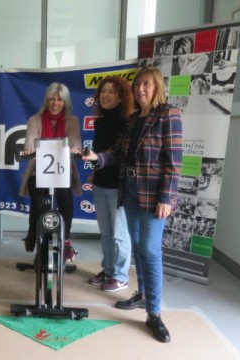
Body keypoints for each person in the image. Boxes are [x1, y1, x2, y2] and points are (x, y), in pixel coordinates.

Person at [83, 67, 183, 343]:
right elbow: (117, 153)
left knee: (150, 251)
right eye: (138, 84)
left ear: (157, 86)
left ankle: (154, 313)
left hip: (154, 195)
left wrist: (166, 197)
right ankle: (142, 295)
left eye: (146, 84)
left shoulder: (168, 114)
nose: (141, 89)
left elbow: (174, 161)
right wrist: (96, 158)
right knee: (138, 248)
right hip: (129, 191)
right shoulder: (132, 120)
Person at [20, 82, 82, 262]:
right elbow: (30, 142)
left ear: (65, 102)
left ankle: (66, 241)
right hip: (38, 170)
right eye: (51, 99)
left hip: (62, 171)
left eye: (59, 100)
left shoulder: (72, 121)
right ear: (46, 101)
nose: (55, 103)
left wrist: (75, 148)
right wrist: (30, 149)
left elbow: (75, 142)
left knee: (66, 202)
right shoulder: (35, 120)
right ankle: (38, 237)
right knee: (40, 207)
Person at [87, 76, 134, 293]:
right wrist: (94, 172)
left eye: (111, 92)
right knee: (105, 233)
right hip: (100, 183)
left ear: (121, 97)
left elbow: (119, 155)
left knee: (119, 234)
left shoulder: (127, 122)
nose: (105, 95)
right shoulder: (100, 122)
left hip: (118, 185)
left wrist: (98, 159)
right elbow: (99, 153)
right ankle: (108, 270)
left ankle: (121, 276)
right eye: (103, 91)